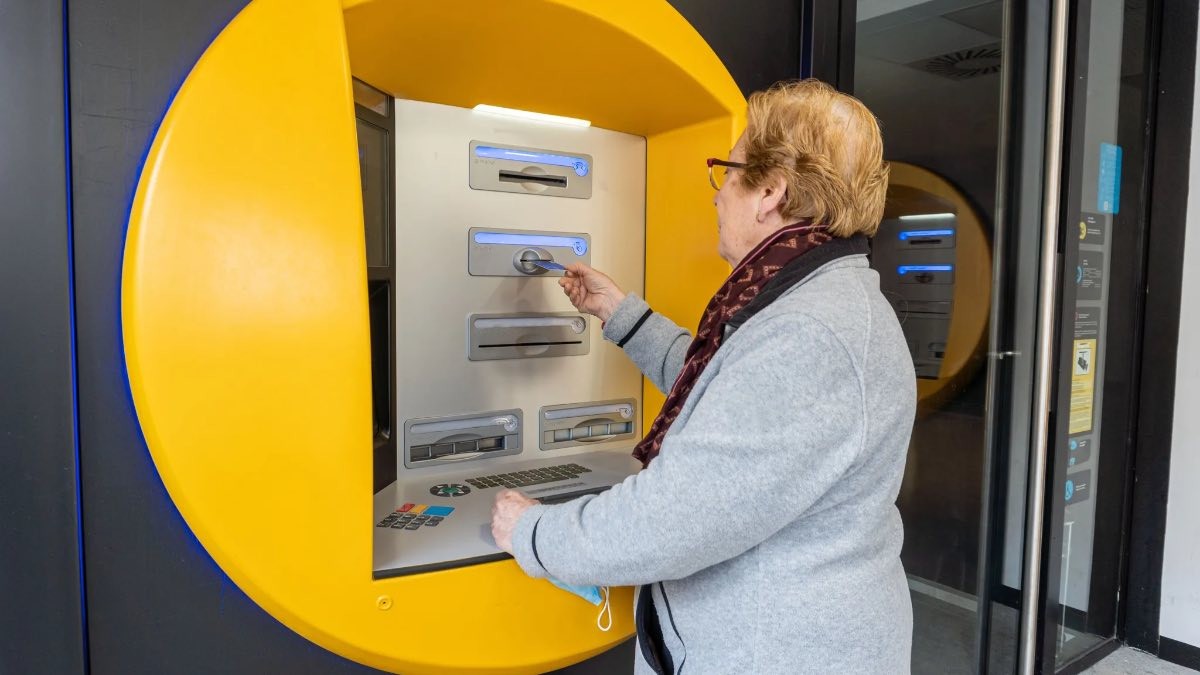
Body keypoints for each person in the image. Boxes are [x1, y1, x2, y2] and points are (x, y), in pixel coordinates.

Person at [491, 79, 916, 674]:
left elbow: (672, 521)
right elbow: (727, 393)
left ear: (769, 191)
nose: (717, 195)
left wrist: (534, 533)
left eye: (728, 171)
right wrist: (622, 315)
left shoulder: (810, 333)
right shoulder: (820, 295)